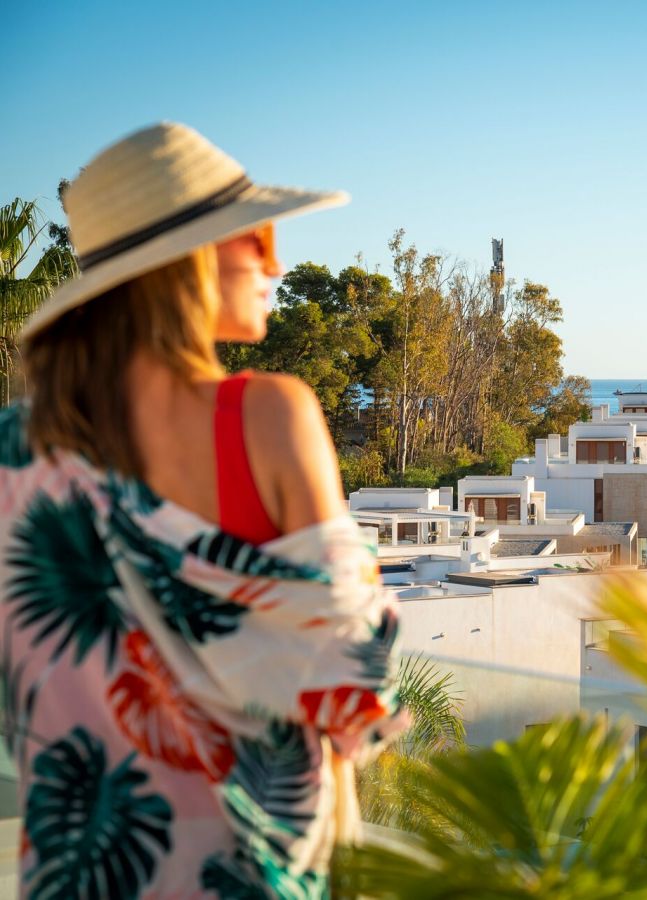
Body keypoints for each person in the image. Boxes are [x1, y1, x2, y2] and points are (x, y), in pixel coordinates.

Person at [0, 123, 405, 896]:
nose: (277, 263)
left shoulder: (13, 452)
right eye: (255, 237)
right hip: (237, 870)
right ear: (186, 262)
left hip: (74, 872)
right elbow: (354, 672)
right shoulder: (270, 414)